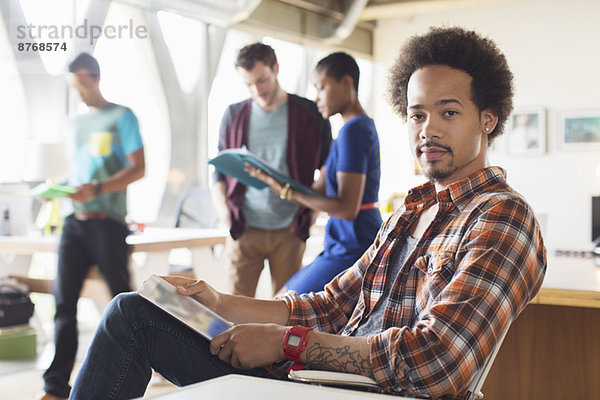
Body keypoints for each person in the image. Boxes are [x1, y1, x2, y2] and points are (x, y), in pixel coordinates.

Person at [70, 27, 546, 400]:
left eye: (449, 112)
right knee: (135, 312)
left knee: (129, 319)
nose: (427, 129)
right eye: (418, 114)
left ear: (488, 118)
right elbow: (330, 305)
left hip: (363, 394)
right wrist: (217, 302)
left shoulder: (502, 218)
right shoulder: (410, 213)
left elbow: (439, 360)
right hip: (315, 381)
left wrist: (286, 343)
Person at [40, 53, 145, 400]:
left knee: (123, 304)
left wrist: (98, 188)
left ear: (96, 78)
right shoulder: (74, 124)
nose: (80, 92)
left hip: (108, 226)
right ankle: (55, 388)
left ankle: (131, 380)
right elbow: (81, 172)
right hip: (74, 224)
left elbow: (138, 169)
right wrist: (58, 189)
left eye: (83, 84)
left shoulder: (122, 116)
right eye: (74, 86)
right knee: (63, 304)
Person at [247, 52, 382, 294]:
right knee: (284, 302)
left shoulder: (355, 131)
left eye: (321, 88)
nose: (317, 97)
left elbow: (346, 208)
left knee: (284, 302)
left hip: (355, 242)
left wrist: (287, 192)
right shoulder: (346, 133)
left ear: (347, 83)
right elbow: (318, 190)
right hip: (341, 241)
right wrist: (273, 180)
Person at [212, 42, 331, 297]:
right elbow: (219, 173)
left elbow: (327, 169)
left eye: (262, 80)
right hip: (244, 228)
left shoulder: (310, 113)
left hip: (290, 230)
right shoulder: (233, 115)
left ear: (276, 69)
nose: (257, 90)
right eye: (249, 84)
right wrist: (227, 216)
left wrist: (310, 216)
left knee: (286, 315)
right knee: (234, 312)